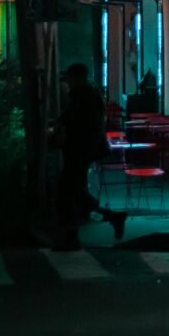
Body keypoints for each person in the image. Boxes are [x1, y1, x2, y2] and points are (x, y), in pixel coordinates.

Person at [53, 62, 127, 249]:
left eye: (69, 79)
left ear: (76, 78)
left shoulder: (82, 95)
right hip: (86, 149)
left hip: (80, 149)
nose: (67, 83)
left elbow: (73, 118)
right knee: (76, 191)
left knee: (67, 191)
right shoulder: (90, 93)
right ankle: (111, 217)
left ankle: (71, 236)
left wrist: (58, 126)